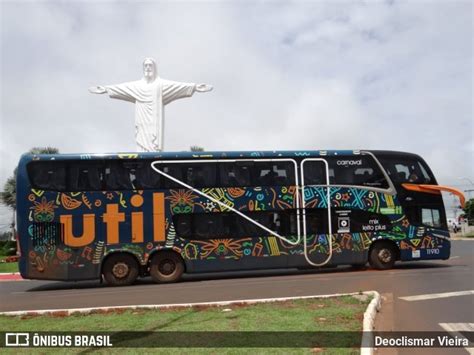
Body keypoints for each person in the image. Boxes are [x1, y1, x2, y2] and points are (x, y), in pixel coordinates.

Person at [89, 58, 212, 152]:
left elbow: (178, 86)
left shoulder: (161, 85)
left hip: (155, 125)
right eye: (145, 65)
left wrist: (194, 87)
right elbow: (122, 88)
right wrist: (106, 89)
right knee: (141, 148)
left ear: (155, 68)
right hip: (141, 122)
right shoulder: (136, 86)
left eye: (150, 65)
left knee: (154, 149)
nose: (148, 67)